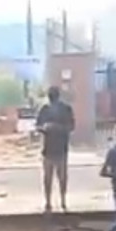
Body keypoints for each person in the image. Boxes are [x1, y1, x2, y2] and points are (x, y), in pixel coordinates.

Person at [36, 85, 75, 213]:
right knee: (49, 178)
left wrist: (56, 127)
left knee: (60, 177)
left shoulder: (66, 109)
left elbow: (71, 126)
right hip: (49, 149)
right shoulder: (45, 109)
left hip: (59, 148)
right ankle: (49, 202)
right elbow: (38, 126)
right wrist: (45, 128)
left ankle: (61, 200)